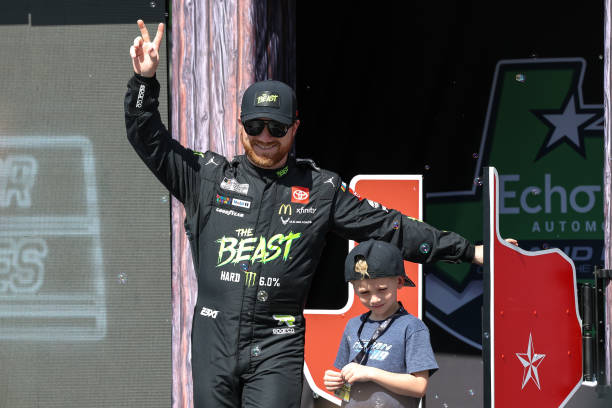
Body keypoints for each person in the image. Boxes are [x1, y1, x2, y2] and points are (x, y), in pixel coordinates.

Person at [126, 20, 487, 408]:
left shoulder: (320, 189)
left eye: (277, 127)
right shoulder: (208, 177)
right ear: (241, 125)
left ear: (295, 127)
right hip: (214, 336)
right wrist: (144, 81)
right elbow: (148, 139)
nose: (265, 136)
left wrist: (469, 251)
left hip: (277, 342)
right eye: (255, 125)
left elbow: (391, 227)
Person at [324, 240, 438, 408]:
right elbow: (346, 384)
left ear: (399, 282)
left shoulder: (412, 327)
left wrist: (371, 373)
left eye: (382, 289)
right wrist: (336, 382)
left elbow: (419, 386)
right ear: (354, 289)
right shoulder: (353, 325)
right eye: (364, 292)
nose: (374, 299)